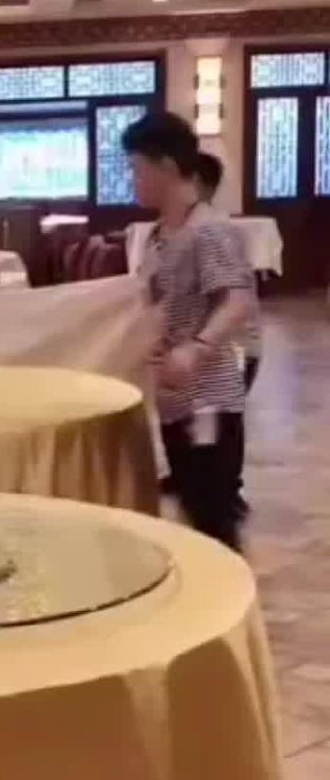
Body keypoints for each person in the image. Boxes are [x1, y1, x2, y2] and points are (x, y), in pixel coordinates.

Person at [122, 111, 252, 550]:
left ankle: (230, 589)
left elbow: (236, 299)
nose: (133, 180)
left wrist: (195, 349)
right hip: (176, 400)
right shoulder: (160, 234)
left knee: (213, 519)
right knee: (194, 508)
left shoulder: (208, 230)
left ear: (167, 166)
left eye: (137, 169)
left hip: (208, 399)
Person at [193, 150, 261, 518]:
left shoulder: (213, 231)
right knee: (201, 417)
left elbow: (234, 302)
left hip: (234, 346)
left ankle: (229, 490)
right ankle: (199, 479)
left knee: (225, 420)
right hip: (210, 346)